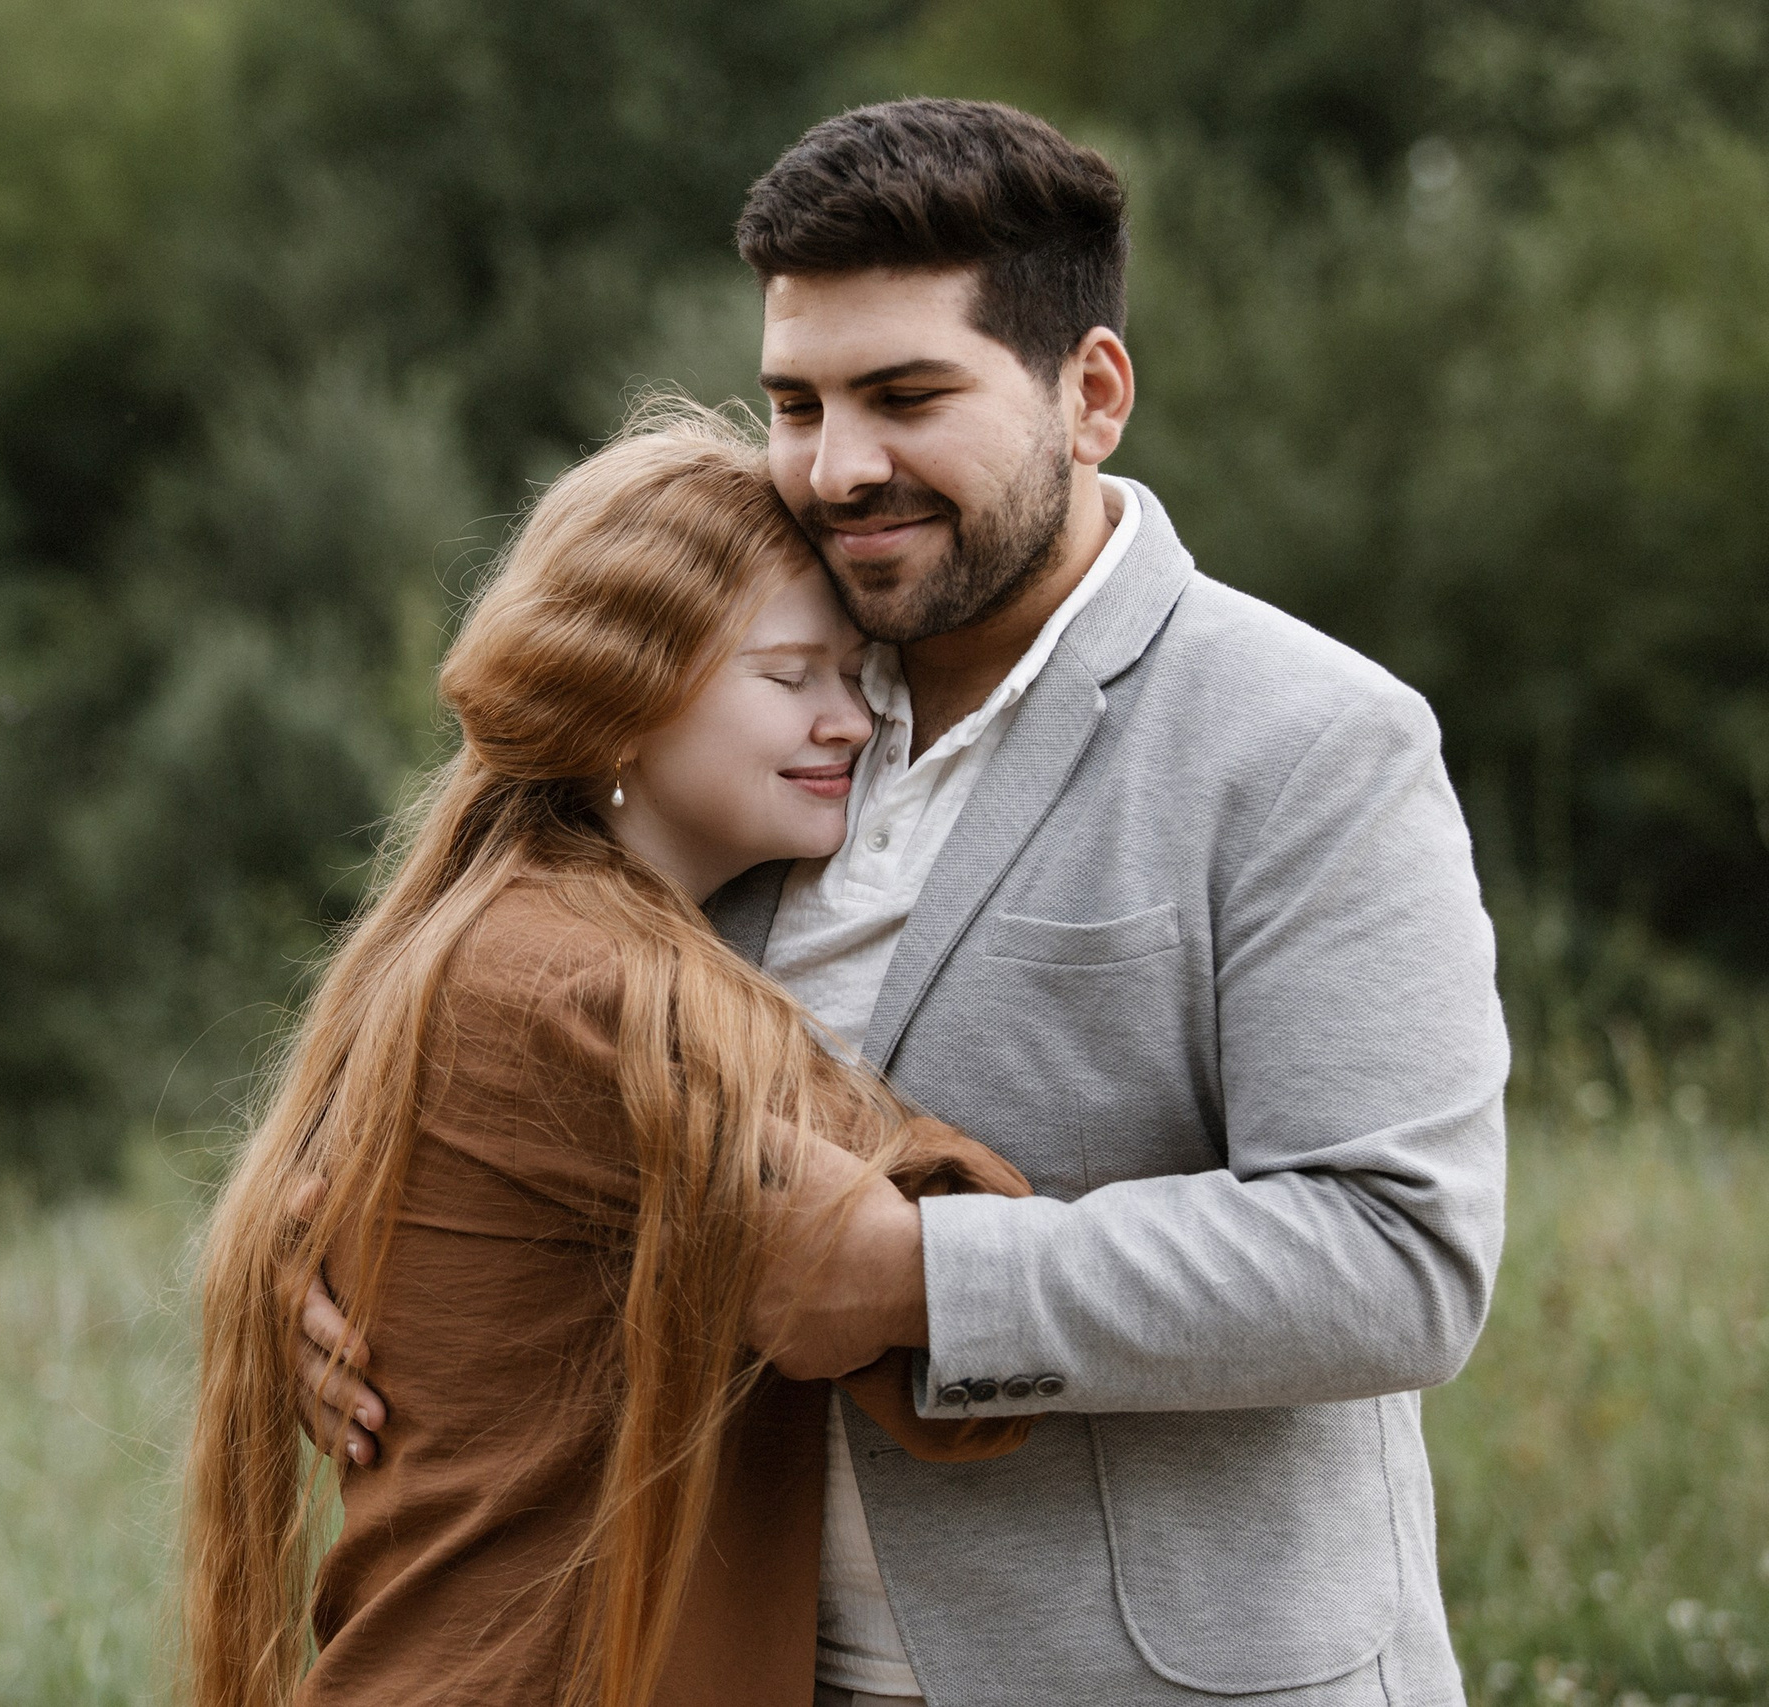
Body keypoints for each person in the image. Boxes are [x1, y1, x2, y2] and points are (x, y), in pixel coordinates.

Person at [300, 99, 1509, 1707]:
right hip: (746, 1661)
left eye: (907, 396)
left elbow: (1397, 1256)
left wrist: (922, 1280)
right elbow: (525, 970)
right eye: (796, 403)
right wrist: (340, 1256)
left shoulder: (1308, 739)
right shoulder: (740, 709)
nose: (837, 466)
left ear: (1091, 395)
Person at [182, 400, 1035, 1707]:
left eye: (857, 679)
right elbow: (963, 1360)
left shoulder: (496, 930)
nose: (852, 722)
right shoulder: (591, 993)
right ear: (622, 699)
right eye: (790, 676)